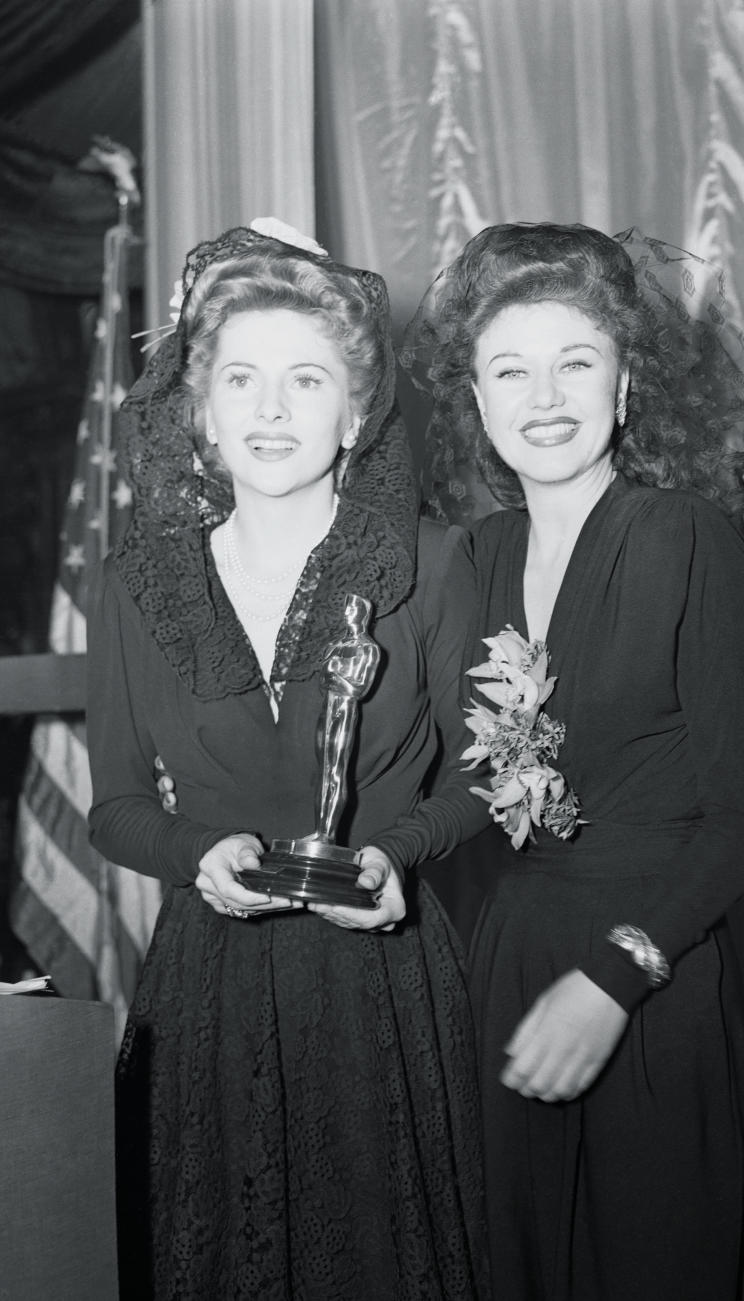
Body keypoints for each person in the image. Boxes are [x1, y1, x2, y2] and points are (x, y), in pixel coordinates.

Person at [400, 221, 744, 1301]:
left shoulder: (689, 538)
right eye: (510, 369)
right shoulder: (478, 556)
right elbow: (481, 788)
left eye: (575, 361)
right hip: (509, 972)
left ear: (626, 385)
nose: (545, 395)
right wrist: (377, 861)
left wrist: (618, 973)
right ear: (478, 404)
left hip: (654, 974)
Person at [86, 220, 490, 1300]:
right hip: (207, 987)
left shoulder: (437, 561)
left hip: (384, 984)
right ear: (201, 414)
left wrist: (397, 853)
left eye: (305, 379)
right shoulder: (136, 582)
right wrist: (189, 851)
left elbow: (485, 776)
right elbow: (113, 804)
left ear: (355, 411)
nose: (271, 411)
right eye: (242, 380)